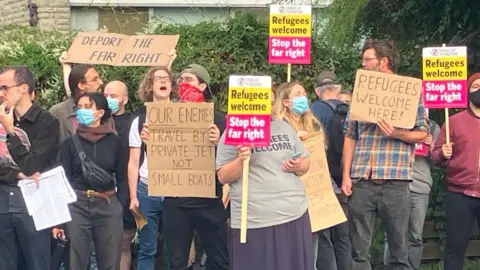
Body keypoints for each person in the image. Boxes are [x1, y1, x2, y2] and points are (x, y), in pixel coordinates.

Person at [342, 39, 428, 270]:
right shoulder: (361, 92)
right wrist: (346, 175)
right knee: (358, 251)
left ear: (384, 61)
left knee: (399, 250)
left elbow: (423, 134)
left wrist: (397, 133)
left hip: (396, 181)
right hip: (362, 178)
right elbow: (350, 134)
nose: (364, 64)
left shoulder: (410, 93)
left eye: (368, 59)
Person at [156, 64, 228, 270]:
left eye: (189, 79)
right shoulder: (166, 116)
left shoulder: (219, 119)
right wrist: (150, 141)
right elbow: (158, 159)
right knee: (176, 261)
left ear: (203, 86)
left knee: (219, 259)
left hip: (208, 198)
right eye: (180, 80)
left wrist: (219, 142)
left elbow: (232, 160)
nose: (183, 83)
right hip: (176, 200)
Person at [216, 116, 313, 270]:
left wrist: (298, 165)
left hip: (295, 215)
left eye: (272, 100)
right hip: (255, 222)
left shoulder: (283, 126)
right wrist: (241, 159)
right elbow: (223, 176)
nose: (270, 105)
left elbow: (305, 163)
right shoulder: (235, 130)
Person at [54, 92, 126, 270]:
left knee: (110, 260)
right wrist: (61, 218)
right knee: (76, 260)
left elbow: (124, 178)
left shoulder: (116, 143)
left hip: (107, 203)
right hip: (77, 204)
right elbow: (64, 181)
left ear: (100, 113)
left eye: (88, 107)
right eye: (79, 107)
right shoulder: (70, 144)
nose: (82, 111)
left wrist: (120, 207)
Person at [0, 66, 60, 270]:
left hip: (34, 203)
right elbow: (24, 170)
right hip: (3, 201)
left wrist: (10, 131)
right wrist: (17, 174)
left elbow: (33, 165)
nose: (1, 93)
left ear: (23, 88)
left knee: (37, 262)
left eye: (5, 87)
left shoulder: (47, 122)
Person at [128, 66, 176, 270]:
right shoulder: (139, 121)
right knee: (147, 247)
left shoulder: (185, 115)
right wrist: (133, 197)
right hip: (147, 189)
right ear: (150, 86)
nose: (163, 81)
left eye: (167, 78)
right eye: (158, 79)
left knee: (176, 247)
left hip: (176, 188)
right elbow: (133, 161)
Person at [431, 72, 480, 270]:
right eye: (475, 86)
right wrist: (443, 153)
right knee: (455, 248)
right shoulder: (453, 121)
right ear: (467, 91)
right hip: (460, 193)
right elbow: (434, 157)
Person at [383, 109, 440, 270]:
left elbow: (439, 159)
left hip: (420, 185)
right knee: (393, 234)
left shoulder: (433, 127)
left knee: (415, 235)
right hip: (395, 182)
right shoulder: (395, 123)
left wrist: (432, 145)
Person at [310, 72, 351, 270]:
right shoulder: (353, 111)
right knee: (343, 237)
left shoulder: (314, 110)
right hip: (346, 180)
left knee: (324, 235)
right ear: (339, 88)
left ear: (318, 91)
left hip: (321, 181)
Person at [103, 80, 134, 270]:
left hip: (126, 186)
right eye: (105, 95)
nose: (108, 100)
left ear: (125, 99)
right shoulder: (95, 120)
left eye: (113, 96)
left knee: (124, 242)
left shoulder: (135, 120)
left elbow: (160, 100)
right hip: (101, 189)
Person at [49, 63, 104, 144]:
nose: (101, 83)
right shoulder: (58, 112)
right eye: (95, 79)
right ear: (81, 85)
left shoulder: (102, 109)